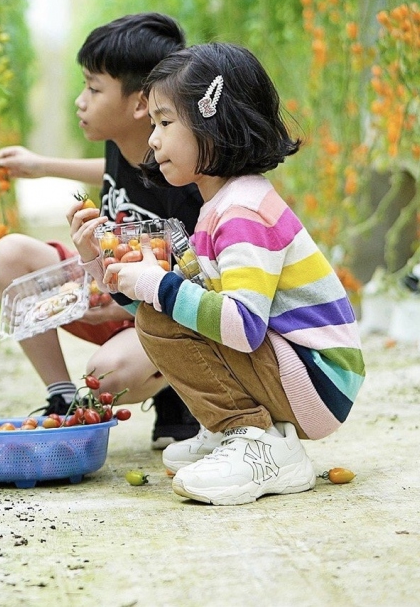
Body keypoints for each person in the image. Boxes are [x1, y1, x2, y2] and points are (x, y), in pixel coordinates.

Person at [87, 42, 365, 505]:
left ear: (211, 123)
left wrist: (160, 284)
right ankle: (233, 430)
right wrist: (98, 261)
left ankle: (258, 441)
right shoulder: (221, 207)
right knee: (162, 311)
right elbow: (170, 308)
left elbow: (241, 324)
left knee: (164, 310)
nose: (153, 139)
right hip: (298, 371)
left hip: (316, 379)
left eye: (164, 122)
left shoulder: (243, 213)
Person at [0, 13, 203, 448]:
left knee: (105, 378)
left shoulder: (183, 176)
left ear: (141, 103)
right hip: (107, 291)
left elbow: (202, 279)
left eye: (93, 88)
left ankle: (177, 386)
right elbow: (112, 168)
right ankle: (60, 397)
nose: (80, 101)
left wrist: (128, 306)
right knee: (10, 253)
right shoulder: (122, 139)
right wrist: (41, 167)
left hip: (164, 313)